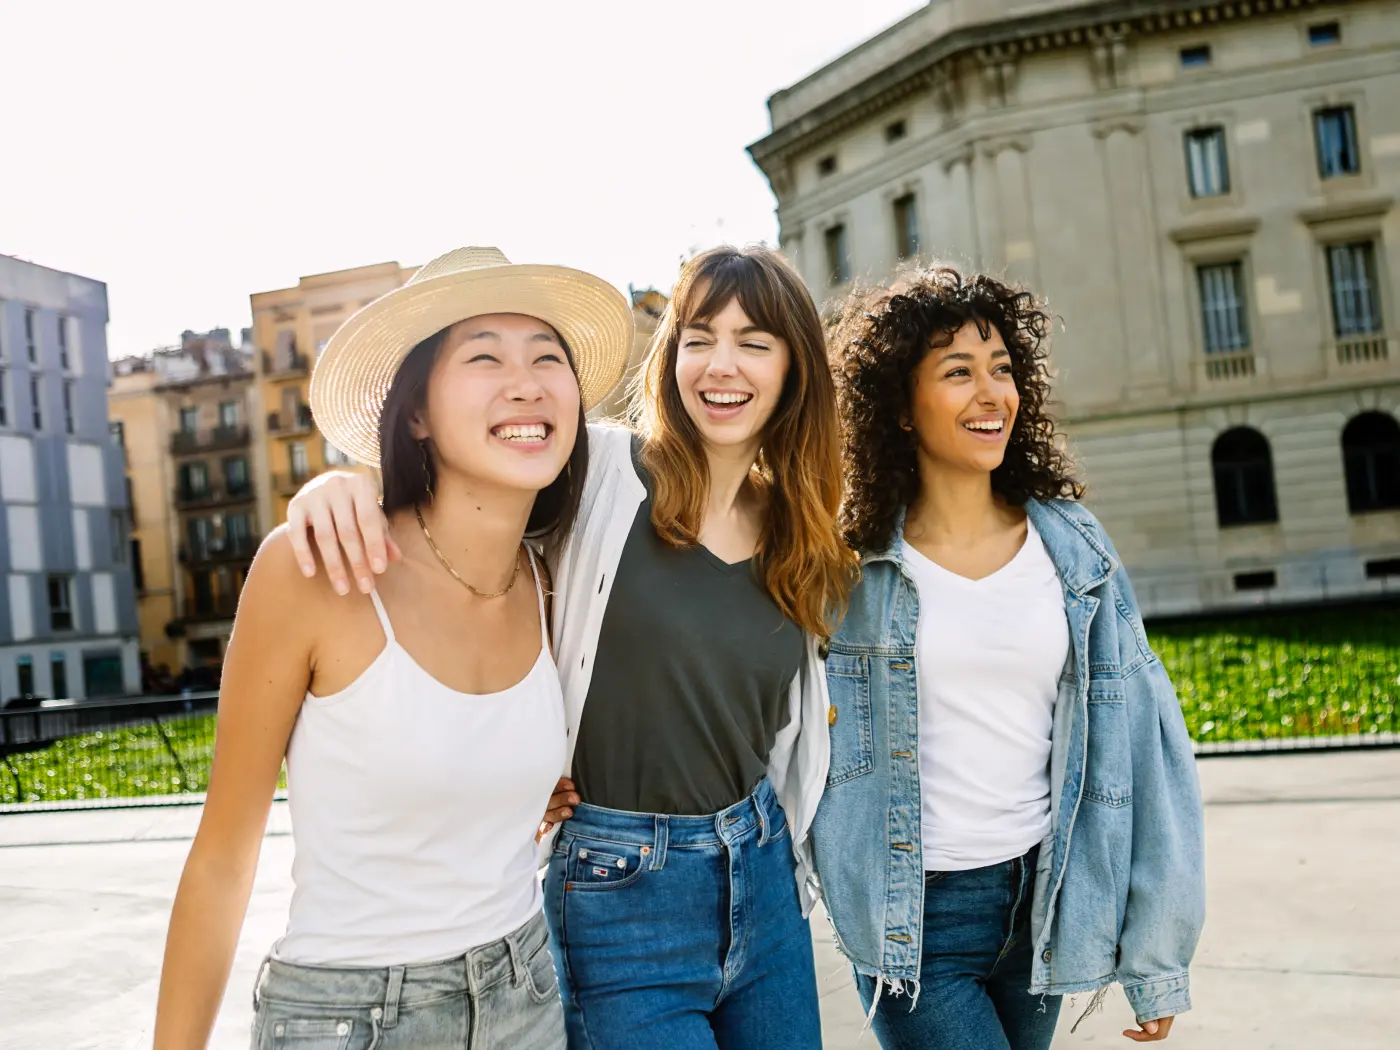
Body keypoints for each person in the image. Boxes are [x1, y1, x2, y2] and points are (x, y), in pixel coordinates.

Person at [282, 245, 856, 1049]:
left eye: (754, 343)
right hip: (619, 894)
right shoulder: (602, 471)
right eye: (699, 339)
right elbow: (464, 481)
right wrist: (343, 487)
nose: (722, 365)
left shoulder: (803, 533)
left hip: (761, 875)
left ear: (794, 372)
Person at [152, 247, 633, 1050]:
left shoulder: (551, 579)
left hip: (526, 995)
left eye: (547, 357)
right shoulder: (316, 572)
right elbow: (223, 860)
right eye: (485, 357)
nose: (526, 382)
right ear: (416, 415)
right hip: (353, 1018)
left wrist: (520, 795)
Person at [813, 265, 1206, 1049]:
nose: (992, 393)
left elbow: (1147, 747)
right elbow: (770, 716)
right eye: (958, 372)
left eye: (1002, 369)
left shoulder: (1072, 545)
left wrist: (1157, 957)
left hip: (1042, 905)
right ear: (899, 406)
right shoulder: (848, 564)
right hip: (913, 918)